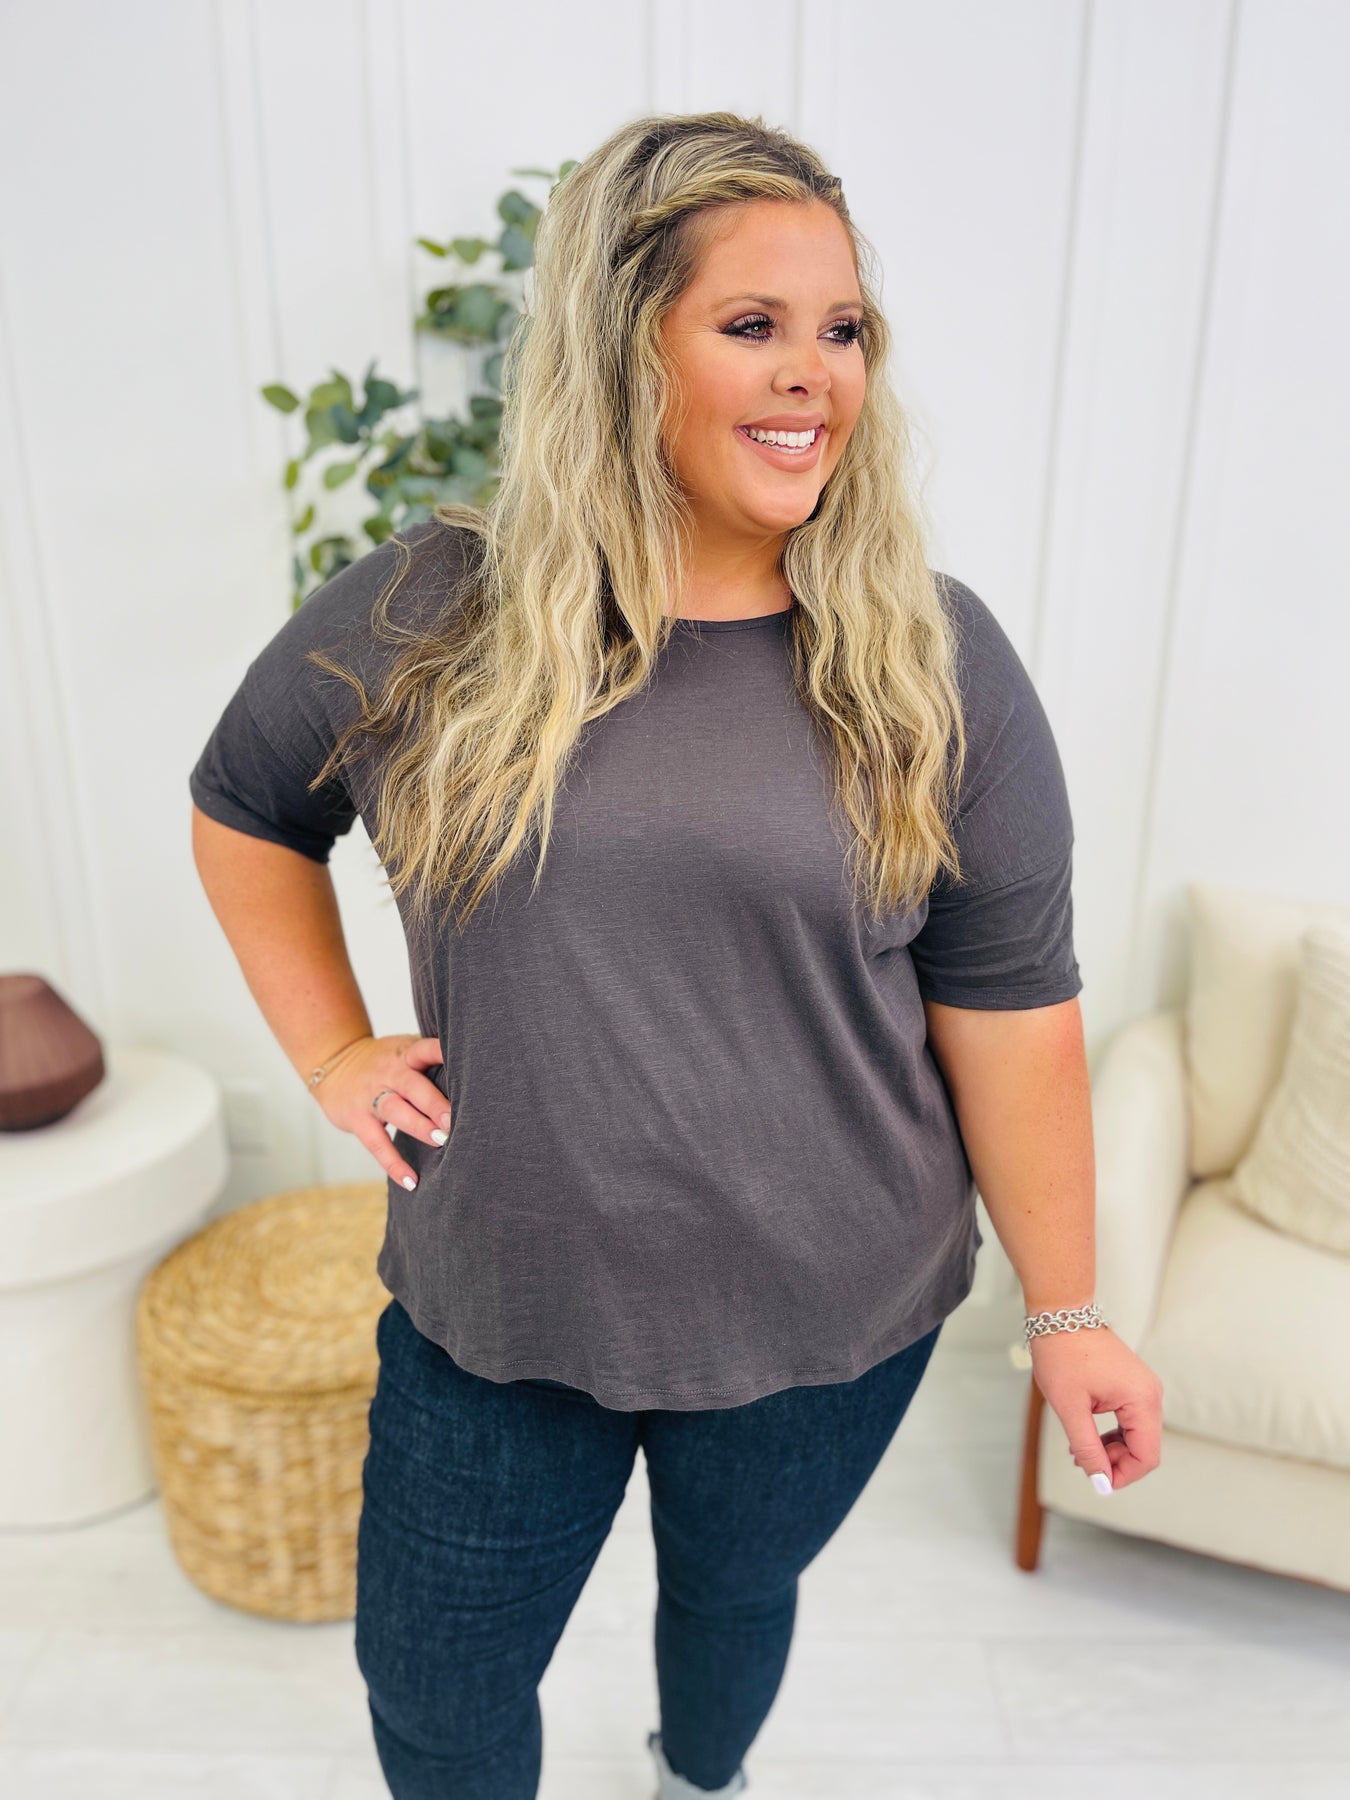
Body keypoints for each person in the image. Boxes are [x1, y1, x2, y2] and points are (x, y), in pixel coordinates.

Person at [189, 110, 1163, 1800]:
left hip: (828, 1311)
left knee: (728, 1599)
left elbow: (1011, 1011)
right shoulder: (432, 613)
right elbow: (246, 805)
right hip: (505, 1305)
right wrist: (333, 1052)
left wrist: (1070, 1316)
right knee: (433, 1690)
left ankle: (693, 1780)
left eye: (840, 329)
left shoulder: (931, 658)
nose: (812, 376)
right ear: (619, 344)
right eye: (751, 324)